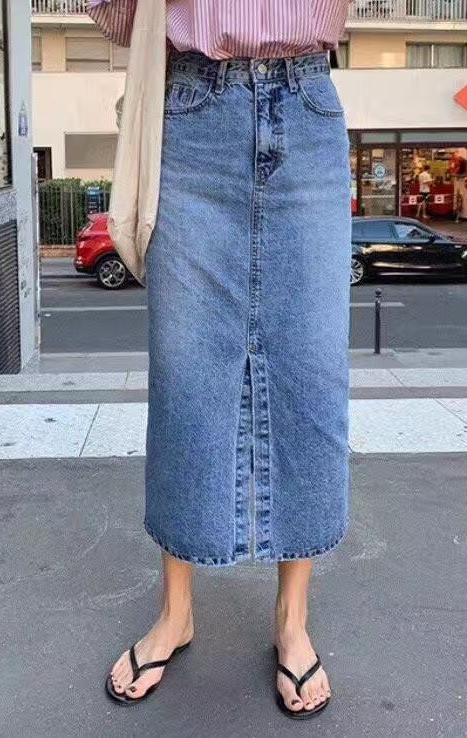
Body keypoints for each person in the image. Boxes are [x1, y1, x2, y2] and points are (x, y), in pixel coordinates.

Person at [88, 0, 352, 720]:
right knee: (188, 376)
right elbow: (118, 19)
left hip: (307, 105)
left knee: (309, 373)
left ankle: (292, 619)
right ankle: (176, 613)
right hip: (191, 111)